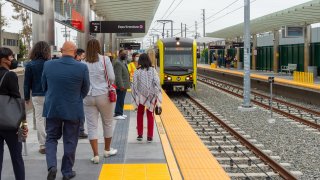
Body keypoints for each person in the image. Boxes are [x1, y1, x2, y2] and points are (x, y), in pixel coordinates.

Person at [42, 41, 90, 180]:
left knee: (51, 138)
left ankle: (52, 166)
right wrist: (77, 98)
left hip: (53, 108)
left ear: (61, 50)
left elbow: (44, 85)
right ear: (75, 52)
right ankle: (67, 172)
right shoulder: (81, 67)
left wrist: (52, 97)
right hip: (73, 109)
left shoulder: (48, 64)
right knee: (70, 140)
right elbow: (85, 88)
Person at [82, 39, 117, 164]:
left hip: (88, 96)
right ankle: (107, 150)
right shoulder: (104, 59)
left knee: (91, 126)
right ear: (98, 47)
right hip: (104, 95)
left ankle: (95, 155)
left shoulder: (83, 61)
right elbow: (112, 77)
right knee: (107, 123)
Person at [0, 47, 28, 180]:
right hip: (11, 124)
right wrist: (23, 125)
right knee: (17, 157)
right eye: (11, 57)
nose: (13, 60)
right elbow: (18, 102)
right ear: (4, 60)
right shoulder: (10, 75)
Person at [24, 41, 50, 154]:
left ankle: (43, 145)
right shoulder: (50, 64)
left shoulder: (30, 65)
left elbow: (26, 83)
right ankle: (50, 142)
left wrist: (26, 97)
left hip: (36, 95)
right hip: (49, 95)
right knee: (49, 119)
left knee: (39, 119)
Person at [131, 53, 162, 142]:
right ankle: (150, 136)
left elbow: (135, 84)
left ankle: (140, 135)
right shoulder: (153, 70)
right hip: (152, 96)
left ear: (140, 61)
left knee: (140, 114)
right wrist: (156, 93)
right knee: (150, 115)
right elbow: (157, 82)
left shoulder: (137, 71)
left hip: (141, 96)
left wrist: (136, 95)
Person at [74, 48, 88, 139]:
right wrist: (82, 95)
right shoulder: (82, 66)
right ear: (78, 55)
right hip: (78, 94)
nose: (83, 58)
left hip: (72, 93)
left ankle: (76, 131)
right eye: (82, 56)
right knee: (80, 114)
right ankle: (80, 131)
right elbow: (86, 83)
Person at [113, 49, 130, 120]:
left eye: (126, 54)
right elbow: (118, 76)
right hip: (121, 85)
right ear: (119, 54)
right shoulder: (118, 63)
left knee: (122, 99)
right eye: (124, 54)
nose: (125, 55)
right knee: (120, 99)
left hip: (124, 84)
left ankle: (120, 112)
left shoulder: (122, 62)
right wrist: (121, 86)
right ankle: (118, 113)